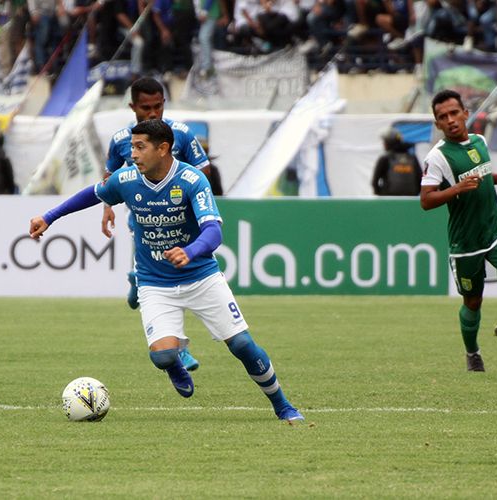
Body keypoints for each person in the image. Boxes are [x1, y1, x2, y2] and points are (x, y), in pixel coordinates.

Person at [29, 119, 305, 422]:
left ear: (163, 148)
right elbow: (93, 194)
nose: (132, 154)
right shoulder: (127, 179)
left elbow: (213, 232)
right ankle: (173, 363)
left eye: (139, 147)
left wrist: (190, 251)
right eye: (132, 147)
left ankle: (282, 405)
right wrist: (49, 217)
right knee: (162, 355)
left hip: (201, 277)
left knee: (241, 345)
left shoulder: (192, 180)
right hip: (155, 282)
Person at [102, 77, 210, 371]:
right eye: (145, 108)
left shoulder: (182, 134)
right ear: (133, 107)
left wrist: (198, 204)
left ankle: (137, 276)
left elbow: (204, 169)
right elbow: (108, 176)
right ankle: (180, 347)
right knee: (168, 276)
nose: (152, 113)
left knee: (180, 275)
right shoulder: (121, 140)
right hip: (144, 212)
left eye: (158, 106)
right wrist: (107, 207)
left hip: (180, 217)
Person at [421, 89, 497, 372]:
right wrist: (456, 188)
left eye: (454, 113)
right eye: (442, 117)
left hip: (495, 228)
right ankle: (472, 353)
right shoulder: (437, 158)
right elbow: (426, 200)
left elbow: (483, 174)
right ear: (437, 124)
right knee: (473, 301)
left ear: (465, 113)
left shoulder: (480, 141)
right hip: (466, 240)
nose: (450, 120)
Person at [371, 127, 421, 196]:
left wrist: (382, 195)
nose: (383, 144)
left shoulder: (385, 158)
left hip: (389, 200)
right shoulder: (412, 158)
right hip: (410, 200)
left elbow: (374, 182)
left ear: (389, 142)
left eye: (385, 141)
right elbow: (420, 180)